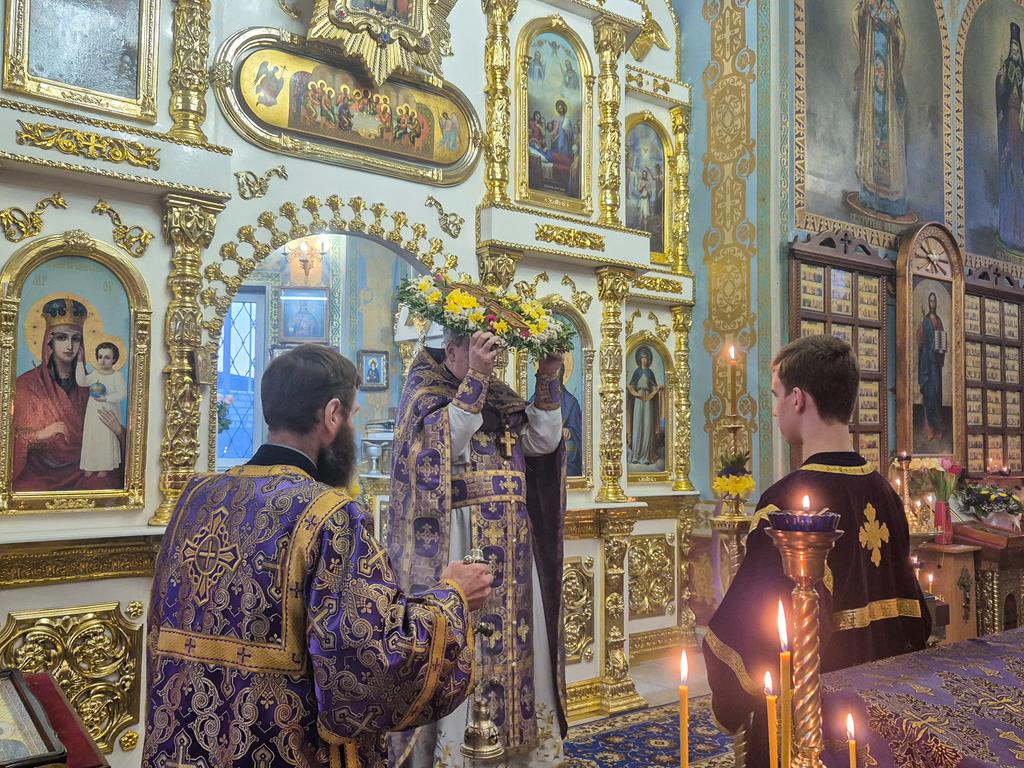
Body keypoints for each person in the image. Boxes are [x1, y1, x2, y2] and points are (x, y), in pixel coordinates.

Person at [143, 344, 493, 768]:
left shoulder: (196, 498)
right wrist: (453, 596)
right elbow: (371, 663)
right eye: (353, 416)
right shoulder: (330, 514)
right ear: (331, 415)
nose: (352, 428)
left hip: (187, 745)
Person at [703, 335, 930, 768]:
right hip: (886, 712)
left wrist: (728, 694)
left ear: (798, 398)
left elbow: (752, 635)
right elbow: (915, 611)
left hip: (809, 722)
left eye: (776, 396)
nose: (774, 409)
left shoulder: (785, 503)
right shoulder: (885, 492)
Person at [387, 329, 568, 767]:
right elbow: (437, 448)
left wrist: (547, 377)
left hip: (515, 552)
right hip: (459, 542)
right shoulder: (425, 394)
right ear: (451, 350)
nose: (491, 356)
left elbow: (542, 442)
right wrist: (477, 380)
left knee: (521, 651)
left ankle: (524, 755)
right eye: (478, 347)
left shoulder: (499, 397)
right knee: (466, 648)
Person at [12, 297, 123, 492]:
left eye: (76, 339)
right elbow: (8, 438)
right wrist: (38, 435)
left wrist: (119, 431)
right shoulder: (26, 384)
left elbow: (110, 419)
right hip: (40, 472)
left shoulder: (94, 384)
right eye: (62, 338)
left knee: (104, 485)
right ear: (49, 341)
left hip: (87, 465)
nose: (70, 346)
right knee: (29, 488)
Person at [852, 0, 908, 218]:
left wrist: (892, 31)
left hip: (887, 70)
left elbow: (901, 38)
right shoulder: (868, 4)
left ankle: (889, 197)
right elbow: (857, 20)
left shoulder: (891, 8)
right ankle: (870, 189)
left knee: (888, 127)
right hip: (871, 68)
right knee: (872, 122)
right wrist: (863, 14)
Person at [76, 341, 125, 477]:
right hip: (93, 412)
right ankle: (90, 465)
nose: (102, 361)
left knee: (105, 438)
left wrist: (106, 398)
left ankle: (104, 466)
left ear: (114, 359)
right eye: (100, 357)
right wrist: (79, 362)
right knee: (93, 437)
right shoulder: (95, 374)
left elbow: (121, 394)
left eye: (107, 357)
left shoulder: (117, 376)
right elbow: (81, 382)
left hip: (109, 412)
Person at [997, 23, 1024, 251]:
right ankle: (1009, 231)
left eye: (1017, 47)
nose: (1015, 50)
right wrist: (1001, 79)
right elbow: (1000, 93)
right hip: (1010, 124)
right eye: (1012, 46)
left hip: (1021, 128)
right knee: (1010, 177)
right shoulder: (1006, 67)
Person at [917, 291, 946, 442]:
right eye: (931, 301)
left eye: (934, 301)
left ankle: (937, 428)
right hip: (926, 363)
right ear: (928, 303)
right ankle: (929, 428)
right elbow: (920, 341)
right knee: (928, 395)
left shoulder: (939, 321)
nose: (932, 304)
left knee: (935, 393)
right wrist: (922, 338)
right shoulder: (925, 321)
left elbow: (942, 340)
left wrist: (941, 348)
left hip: (935, 363)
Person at [627, 346, 662, 466]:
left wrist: (656, 390)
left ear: (648, 360)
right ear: (639, 359)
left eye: (646, 358)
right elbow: (631, 386)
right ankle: (636, 455)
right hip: (638, 400)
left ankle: (647, 456)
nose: (644, 360)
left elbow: (654, 387)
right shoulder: (637, 372)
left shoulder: (650, 372)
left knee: (647, 426)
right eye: (642, 358)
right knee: (637, 425)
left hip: (648, 400)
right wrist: (635, 393)